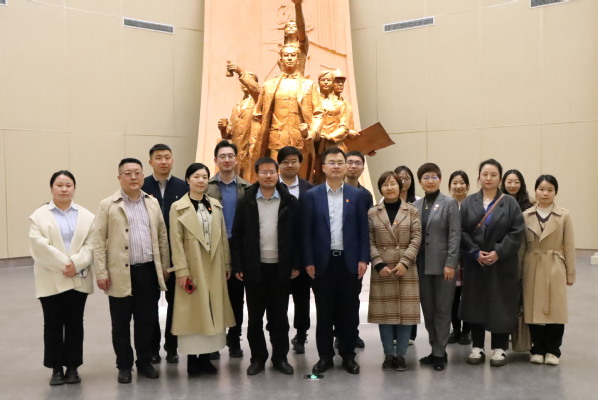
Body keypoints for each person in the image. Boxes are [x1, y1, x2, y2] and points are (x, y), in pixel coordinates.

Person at [93, 158, 170, 383]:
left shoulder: (152, 203)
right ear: (119, 178)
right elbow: (98, 241)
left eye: (137, 172)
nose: (133, 177)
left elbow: (162, 236)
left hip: (147, 272)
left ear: (143, 175)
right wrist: (101, 272)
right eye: (128, 173)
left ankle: (144, 362)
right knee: (120, 323)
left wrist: (165, 266)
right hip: (119, 273)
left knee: (147, 321)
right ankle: (124, 365)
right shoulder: (108, 205)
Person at [302, 147, 370, 375]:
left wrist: (363, 258)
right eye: (331, 162)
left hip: (349, 263)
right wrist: (308, 260)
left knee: (349, 313)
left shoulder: (357, 195)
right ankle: (325, 357)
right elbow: (306, 232)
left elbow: (363, 230)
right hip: (323, 264)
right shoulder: (312, 195)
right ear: (323, 167)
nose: (336, 166)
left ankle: (348, 356)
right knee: (324, 313)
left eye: (340, 162)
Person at [231, 158, 301, 376]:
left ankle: (280, 357)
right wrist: (238, 264)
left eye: (272, 172)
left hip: (281, 268)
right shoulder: (246, 201)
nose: (268, 176)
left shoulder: (289, 201)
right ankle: (257, 358)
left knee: (279, 317)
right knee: (255, 318)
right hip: (254, 268)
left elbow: (298, 235)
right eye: (264, 172)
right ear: (257, 175)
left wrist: (296, 263)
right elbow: (237, 235)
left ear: (277, 173)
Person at [29, 171, 95, 386]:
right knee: (53, 324)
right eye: (59, 185)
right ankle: (56, 368)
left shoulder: (87, 216)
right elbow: (39, 246)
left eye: (68, 185)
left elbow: (91, 244)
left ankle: (73, 367)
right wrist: (66, 264)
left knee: (75, 323)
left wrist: (76, 263)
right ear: (52, 188)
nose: (64, 189)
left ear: (74, 188)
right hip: (50, 277)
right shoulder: (39, 216)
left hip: (78, 277)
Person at [168, 163, 235, 376]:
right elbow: (176, 241)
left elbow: (223, 238)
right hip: (192, 267)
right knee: (193, 314)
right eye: (196, 176)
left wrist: (226, 264)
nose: (200, 180)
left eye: (204, 177)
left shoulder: (215, 205)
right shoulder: (177, 207)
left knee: (212, 311)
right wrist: (181, 270)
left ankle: (206, 359)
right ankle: (192, 361)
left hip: (214, 266)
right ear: (188, 180)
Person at [460, 159, 524, 367]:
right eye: (485, 174)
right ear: (479, 177)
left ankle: (499, 348)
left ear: (500, 178)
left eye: (493, 175)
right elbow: (461, 231)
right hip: (475, 263)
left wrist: (498, 252)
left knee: (501, 303)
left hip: (502, 263)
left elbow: (516, 232)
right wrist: (474, 252)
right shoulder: (469, 202)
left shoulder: (510, 203)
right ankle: (477, 346)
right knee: (475, 303)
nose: (488, 178)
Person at [367, 171, 421, 371]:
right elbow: (369, 241)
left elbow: (416, 238)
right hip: (383, 269)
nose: (389, 188)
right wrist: (379, 264)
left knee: (406, 315)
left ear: (400, 186)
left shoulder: (412, 210)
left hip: (406, 268)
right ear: (380, 188)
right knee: (385, 315)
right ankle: (389, 354)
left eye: (393, 184)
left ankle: (401, 356)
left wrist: (405, 262)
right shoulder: (373, 212)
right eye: (385, 184)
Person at [142, 144, 189, 365]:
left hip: (177, 255)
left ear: (172, 160)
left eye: (167, 157)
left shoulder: (183, 186)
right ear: (150, 162)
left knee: (175, 304)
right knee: (149, 305)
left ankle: (172, 347)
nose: (163, 161)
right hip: (150, 255)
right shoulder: (142, 186)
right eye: (158, 157)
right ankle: (152, 348)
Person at [522, 175, 575, 366]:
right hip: (532, 264)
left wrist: (570, 273)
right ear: (535, 191)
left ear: (555, 193)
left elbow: (569, 246)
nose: (545, 193)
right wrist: (518, 272)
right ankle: (537, 348)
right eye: (541, 189)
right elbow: (521, 246)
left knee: (556, 309)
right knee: (533, 309)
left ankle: (553, 350)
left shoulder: (564, 216)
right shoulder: (526, 215)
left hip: (555, 265)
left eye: (550, 190)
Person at [250, 45, 323, 181]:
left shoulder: (309, 85)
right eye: (286, 55)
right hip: (276, 140)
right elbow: (257, 115)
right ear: (281, 59)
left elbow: (318, 112)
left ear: (298, 60)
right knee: (275, 179)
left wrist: (312, 133)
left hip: (301, 140)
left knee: (302, 181)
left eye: (293, 55)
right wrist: (253, 142)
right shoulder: (269, 86)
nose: (289, 58)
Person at [413, 163, 460, 371]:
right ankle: (435, 349)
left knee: (442, 310)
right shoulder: (415, 206)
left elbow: (454, 235)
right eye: (426, 177)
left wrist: (450, 263)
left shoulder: (449, 203)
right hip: (421, 266)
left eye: (434, 177)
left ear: (440, 179)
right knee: (429, 311)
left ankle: (440, 353)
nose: (430, 181)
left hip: (443, 267)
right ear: (420, 181)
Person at [206, 140, 250, 358]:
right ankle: (214, 341)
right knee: (213, 295)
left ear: (236, 159)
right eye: (222, 156)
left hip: (238, 247)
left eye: (230, 156)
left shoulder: (247, 188)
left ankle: (234, 340)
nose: (226, 160)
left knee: (236, 297)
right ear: (215, 160)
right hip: (213, 247)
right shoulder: (206, 187)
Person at [277, 146, 313, 354]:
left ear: (300, 163)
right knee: (277, 301)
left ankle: (301, 334)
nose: (290, 165)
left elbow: (309, 228)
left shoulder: (309, 189)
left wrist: (300, 262)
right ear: (279, 164)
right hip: (276, 257)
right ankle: (279, 335)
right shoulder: (269, 187)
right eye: (285, 162)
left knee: (302, 300)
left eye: (294, 161)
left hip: (302, 255)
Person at [342, 150, 373, 349]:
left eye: (357, 163)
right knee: (335, 299)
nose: (353, 166)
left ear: (362, 168)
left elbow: (367, 228)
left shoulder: (365, 195)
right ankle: (338, 334)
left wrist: (364, 257)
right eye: (350, 162)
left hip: (354, 258)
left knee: (353, 299)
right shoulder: (334, 190)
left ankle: (352, 333)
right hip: (334, 255)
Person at [218, 65, 260, 181]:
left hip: (251, 149)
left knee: (250, 181)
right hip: (237, 152)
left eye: (249, 80)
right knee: (236, 182)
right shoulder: (236, 107)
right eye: (244, 81)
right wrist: (223, 128)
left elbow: (257, 93)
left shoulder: (258, 102)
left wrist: (240, 73)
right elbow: (229, 134)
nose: (245, 83)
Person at [393, 165, 419, 343]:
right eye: (399, 177)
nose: (403, 181)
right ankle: (394, 333)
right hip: (392, 255)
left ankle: (410, 334)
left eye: (407, 178)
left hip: (413, 255)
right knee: (394, 296)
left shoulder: (418, 201)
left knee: (411, 296)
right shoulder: (385, 200)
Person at [446, 170, 472, 345]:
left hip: (469, 257)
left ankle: (466, 331)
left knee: (468, 296)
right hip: (452, 258)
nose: (458, 186)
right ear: (449, 186)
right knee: (453, 296)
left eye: (462, 182)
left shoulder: (473, 205)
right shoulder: (446, 205)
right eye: (455, 183)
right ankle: (455, 329)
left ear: (467, 186)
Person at [312, 70, 350, 184]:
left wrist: (330, 136)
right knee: (316, 176)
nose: (325, 82)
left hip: (334, 145)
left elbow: (345, 126)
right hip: (315, 146)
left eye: (328, 80)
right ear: (318, 82)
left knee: (336, 176)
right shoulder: (312, 101)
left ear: (332, 83)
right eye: (323, 80)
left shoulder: (340, 104)